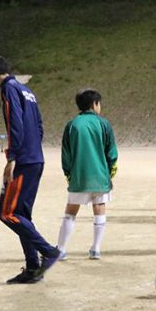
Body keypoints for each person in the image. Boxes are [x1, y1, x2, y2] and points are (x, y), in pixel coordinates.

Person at [0, 54, 60, 284]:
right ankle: (33, 268)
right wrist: (32, 149)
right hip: (35, 159)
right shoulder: (27, 90)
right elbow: (40, 126)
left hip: (23, 161)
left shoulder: (9, 89)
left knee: (7, 213)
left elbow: (15, 122)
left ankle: (49, 252)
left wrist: (13, 157)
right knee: (22, 215)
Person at [57, 89, 118, 260]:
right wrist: (110, 172)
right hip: (100, 176)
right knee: (99, 208)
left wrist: (69, 174)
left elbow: (66, 155)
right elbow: (111, 152)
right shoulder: (103, 124)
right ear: (95, 104)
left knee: (70, 211)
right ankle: (96, 249)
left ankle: (61, 249)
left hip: (79, 176)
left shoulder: (72, 125)